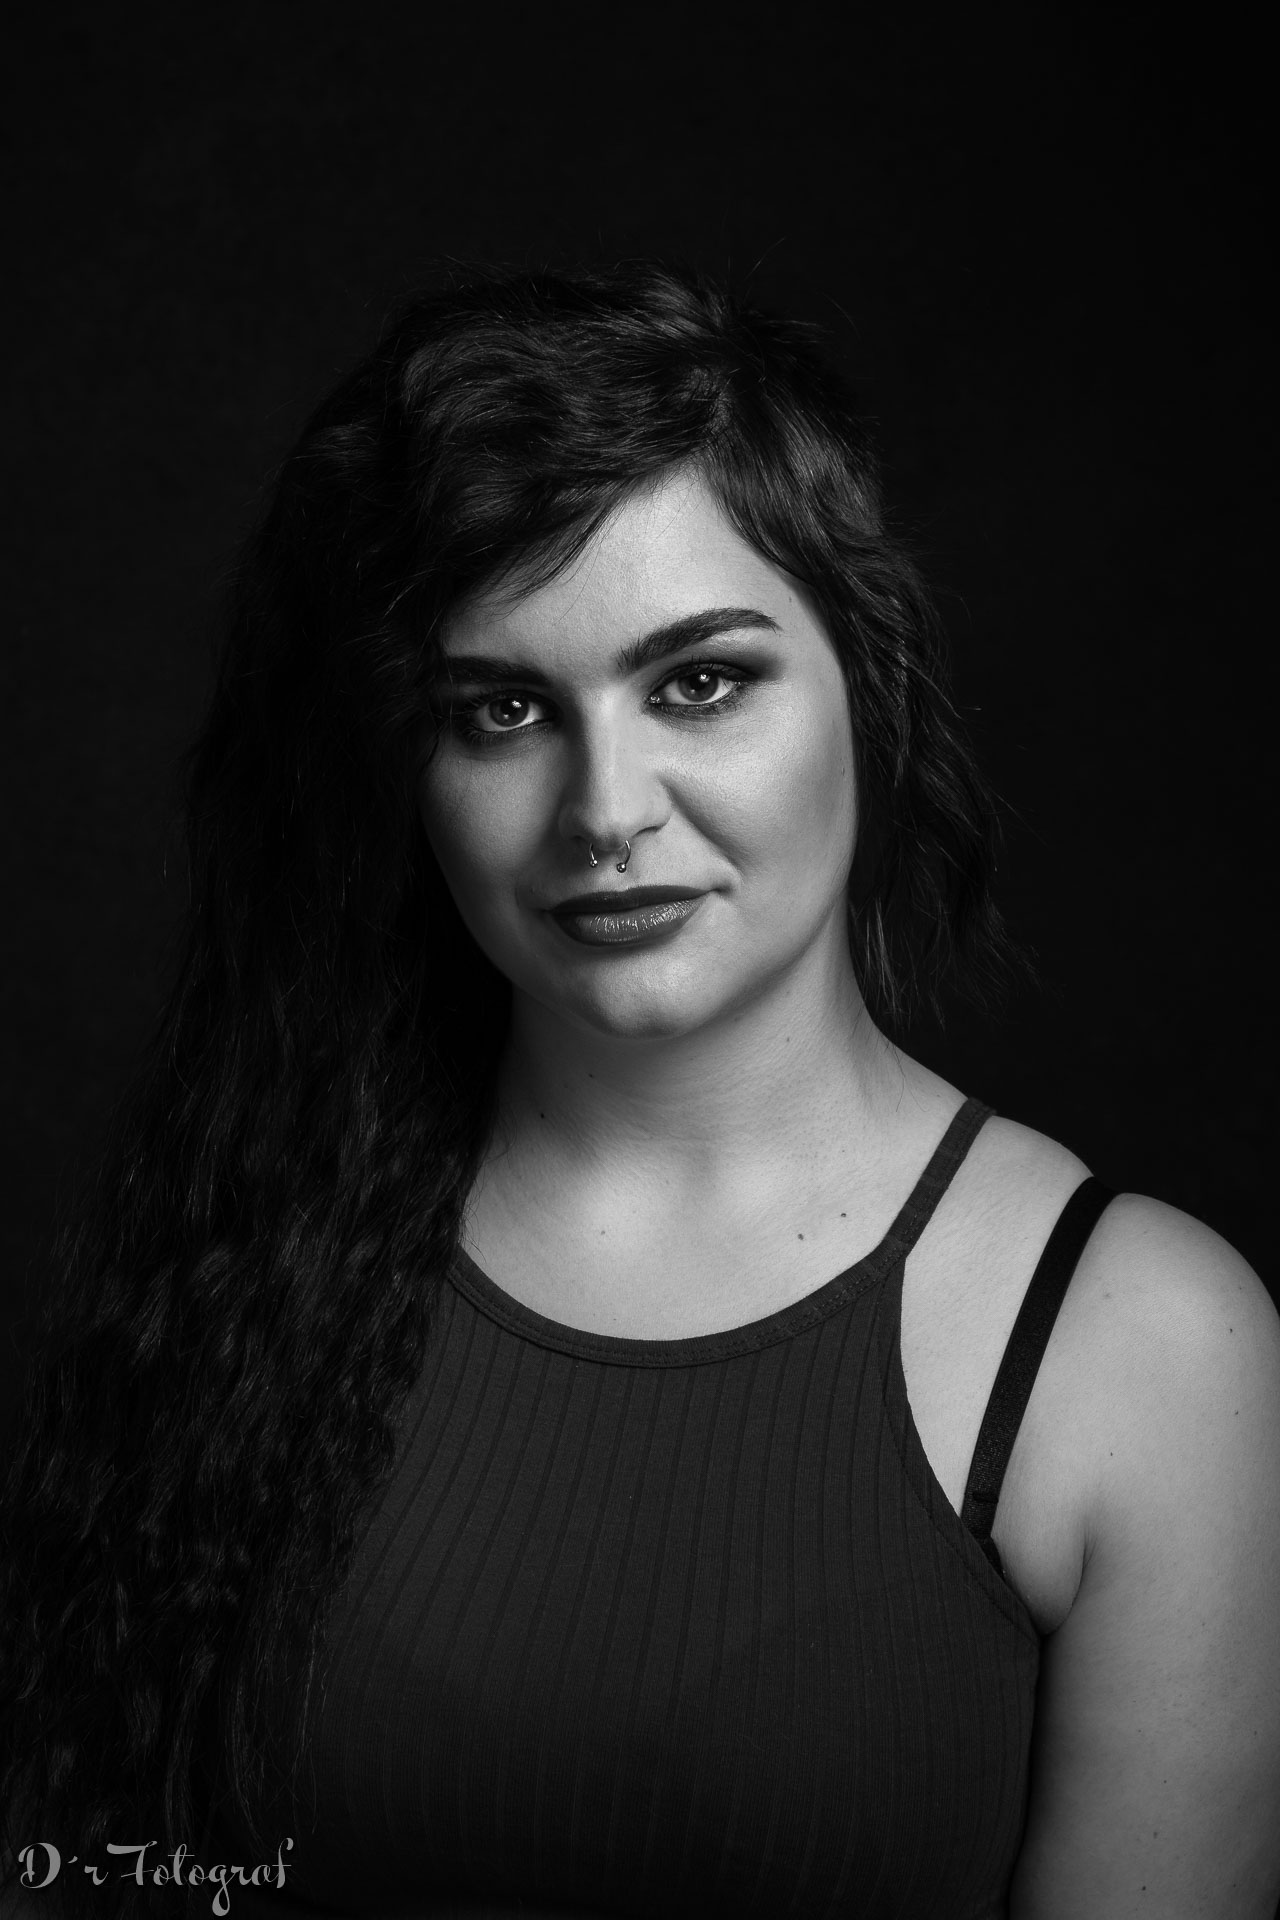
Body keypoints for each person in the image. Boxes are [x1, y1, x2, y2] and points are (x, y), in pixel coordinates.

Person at [2, 262, 1278, 1920]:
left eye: (697, 682)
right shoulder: (252, 1245)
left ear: (867, 682)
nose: (606, 809)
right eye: (503, 709)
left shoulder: (1149, 1347)